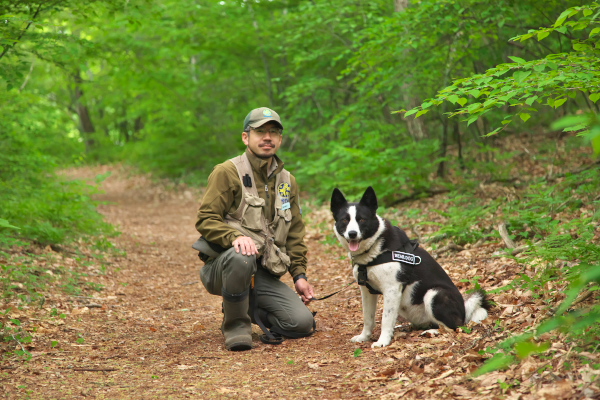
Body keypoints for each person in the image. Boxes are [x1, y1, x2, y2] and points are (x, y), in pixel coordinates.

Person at [193, 107, 316, 351]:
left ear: (280, 139)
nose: (267, 137)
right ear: (246, 137)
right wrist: (235, 237)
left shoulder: (287, 181)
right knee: (242, 255)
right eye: (260, 131)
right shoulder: (227, 172)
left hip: (262, 274)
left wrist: (299, 275)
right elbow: (206, 219)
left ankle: (244, 305)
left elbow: (294, 233)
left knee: (301, 324)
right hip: (225, 266)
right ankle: (236, 325)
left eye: (273, 132)